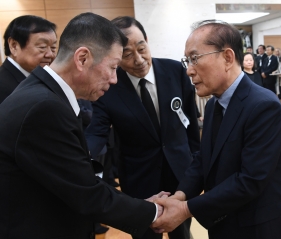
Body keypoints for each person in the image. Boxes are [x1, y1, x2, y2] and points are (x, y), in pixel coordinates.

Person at [0, 12, 167, 239]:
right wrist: (155, 211)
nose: (114, 79)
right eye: (113, 67)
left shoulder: (43, 93)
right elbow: (86, 194)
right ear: (82, 59)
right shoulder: (44, 108)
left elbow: (78, 178)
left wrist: (140, 205)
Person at [152, 19, 281, 239]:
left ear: (228, 57)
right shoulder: (213, 105)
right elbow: (204, 160)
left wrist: (185, 209)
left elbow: (250, 180)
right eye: (187, 61)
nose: (189, 71)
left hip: (261, 228)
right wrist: (179, 197)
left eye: (195, 59)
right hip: (224, 223)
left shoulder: (263, 105)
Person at [85, 16, 200, 239]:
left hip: (181, 173)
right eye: (127, 54)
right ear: (115, 54)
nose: (138, 59)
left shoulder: (175, 71)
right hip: (139, 180)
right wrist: (80, 158)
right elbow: (96, 132)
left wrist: (197, 162)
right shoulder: (109, 85)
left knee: (183, 233)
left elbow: (191, 124)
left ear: (147, 40)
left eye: (141, 47)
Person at [0, 15, 57, 104]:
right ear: (14, 46)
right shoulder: (3, 85)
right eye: (42, 46)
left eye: (53, 47)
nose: (50, 54)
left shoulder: (44, 76)